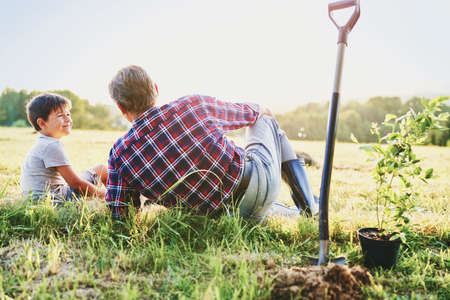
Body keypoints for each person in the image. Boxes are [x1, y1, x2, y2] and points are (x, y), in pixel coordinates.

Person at [106, 65, 318, 220]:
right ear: (156, 88)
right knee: (264, 118)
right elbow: (250, 113)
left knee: (258, 208)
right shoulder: (191, 106)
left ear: (121, 108)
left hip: (218, 217)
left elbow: (120, 214)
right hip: (255, 185)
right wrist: (263, 113)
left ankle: (297, 209)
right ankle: (309, 207)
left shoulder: (119, 154)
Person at [20, 93, 108, 204]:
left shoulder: (43, 142)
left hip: (39, 201)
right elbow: (76, 184)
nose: (68, 119)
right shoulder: (51, 145)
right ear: (42, 123)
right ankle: (117, 201)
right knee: (102, 170)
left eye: (68, 114)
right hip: (56, 201)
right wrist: (104, 195)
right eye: (61, 116)